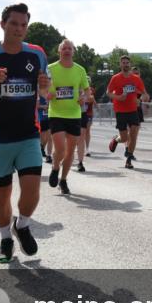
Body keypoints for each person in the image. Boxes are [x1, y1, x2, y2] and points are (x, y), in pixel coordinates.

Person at [0, 3, 50, 263]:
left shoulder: (36, 54)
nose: (19, 29)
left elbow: (46, 93)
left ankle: (22, 225)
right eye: (14, 24)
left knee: (31, 189)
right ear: (3, 24)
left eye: (23, 25)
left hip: (28, 133)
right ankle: (5, 238)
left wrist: (46, 87)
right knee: (2, 194)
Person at [47, 39, 91, 195]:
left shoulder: (80, 70)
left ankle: (63, 180)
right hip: (56, 113)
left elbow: (87, 90)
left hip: (74, 114)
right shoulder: (50, 68)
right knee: (60, 148)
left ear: (73, 51)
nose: (67, 51)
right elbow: (43, 87)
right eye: (64, 48)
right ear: (59, 51)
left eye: (69, 48)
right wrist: (47, 93)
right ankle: (55, 167)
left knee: (70, 151)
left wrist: (84, 98)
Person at [106, 56, 149, 169]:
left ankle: (129, 159)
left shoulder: (136, 79)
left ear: (130, 64)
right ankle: (116, 139)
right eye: (123, 63)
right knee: (125, 138)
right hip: (120, 110)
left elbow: (145, 94)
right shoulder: (115, 78)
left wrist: (140, 100)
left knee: (134, 134)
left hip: (132, 110)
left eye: (127, 63)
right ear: (120, 65)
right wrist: (118, 97)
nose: (125, 64)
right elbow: (108, 92)